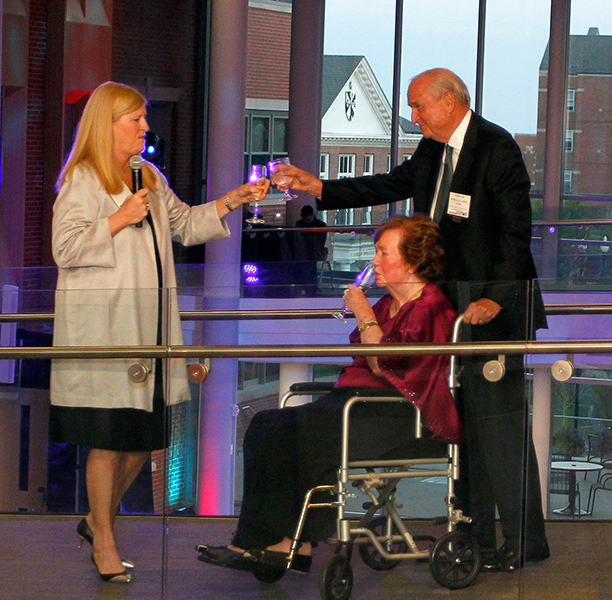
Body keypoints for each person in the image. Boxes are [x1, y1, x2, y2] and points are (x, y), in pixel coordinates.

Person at [271, 68, 549, 571]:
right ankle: (475, 536)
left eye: (419, 106)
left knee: (498, 429)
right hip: (448, 308)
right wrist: (321, 188)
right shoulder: (430, 150)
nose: (414, 115)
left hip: (491, 309)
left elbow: (515, 233)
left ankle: (524, 541)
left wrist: (497, 300)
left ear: (450, 102)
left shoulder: (496, 147)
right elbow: (389, 183)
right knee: (464, 429)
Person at [50, 81, 265, 584]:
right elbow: (65, 248)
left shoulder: (147, 174)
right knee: (108, 440)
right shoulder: (83, 179)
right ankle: (104, 537)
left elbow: (185, 226)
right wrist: (119, 219)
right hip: (106, 333)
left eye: (144, 119)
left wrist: (232, 199)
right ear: (108, 125)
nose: (146, 128)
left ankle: (95, 519)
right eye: (136, 120)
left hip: (151, 330)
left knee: (144, 440)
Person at [198, 215, 461, 573]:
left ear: (412, 261)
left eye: (384, 253)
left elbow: (385, 365)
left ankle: (281, 542)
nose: (374, 261)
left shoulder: (430, 307)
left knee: (301, 436)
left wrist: (363, 314)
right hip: (354, 401)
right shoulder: (387, 305)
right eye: (376, 252)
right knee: (265, 424)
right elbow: (370, 359)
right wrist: (371, 326)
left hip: (395, 411)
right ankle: (285, 542)